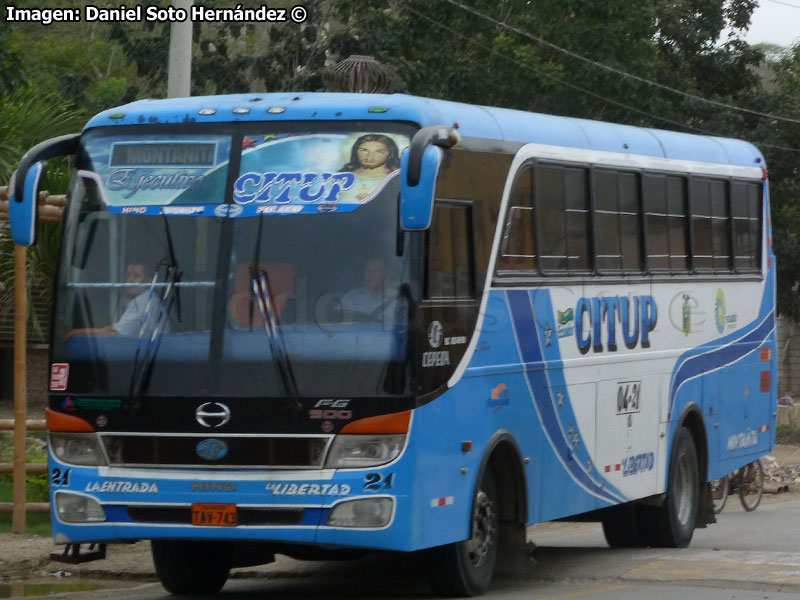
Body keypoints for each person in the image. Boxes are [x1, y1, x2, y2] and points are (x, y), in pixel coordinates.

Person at [65, 263, 162, 340]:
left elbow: (112, 332)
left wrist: (76, 332)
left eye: (136, 276)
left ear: (148, 281)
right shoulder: (149, 298)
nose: (129, 280)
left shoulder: (143, 302)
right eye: (127, 275)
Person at [341, 258, 407, 326]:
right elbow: (338, 323)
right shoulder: (352, 297)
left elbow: (403, 332)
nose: (370, 274)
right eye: (368, 270)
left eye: (376, 270)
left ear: (388, 274)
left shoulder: (400, 300)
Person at [340, 134, 401, 202]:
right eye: (364, 150)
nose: (369, 157)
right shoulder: (341, 177)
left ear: (390, 154)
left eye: (379, 152)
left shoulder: (398, 179)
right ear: (355, 152)